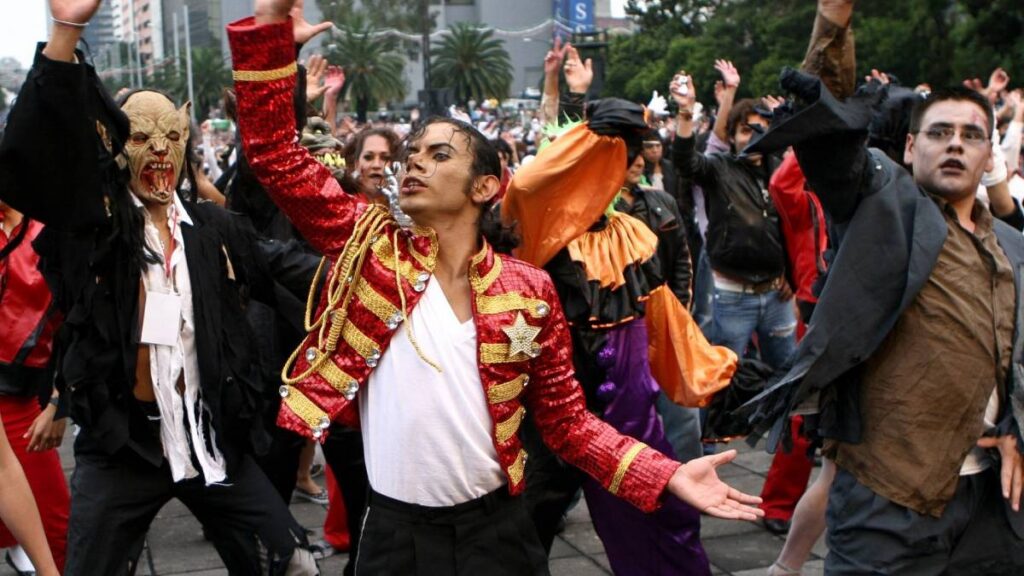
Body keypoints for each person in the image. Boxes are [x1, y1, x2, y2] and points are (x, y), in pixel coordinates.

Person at [229, 1, 763, 573]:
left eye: (438, 155)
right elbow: (274, 155)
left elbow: (568, 424)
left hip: (499, 534)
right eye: (412, 153)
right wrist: (269, 34)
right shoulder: (371, 251)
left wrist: (669, 472)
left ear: (486, 185)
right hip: (394, 534)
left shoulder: (528, 290)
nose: (413, 164)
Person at [0, 1, 324, 573]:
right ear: (115, 146)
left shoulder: (216, 230)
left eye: (169, 135)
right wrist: (65, 32)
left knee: (292, 560)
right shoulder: (91, 230)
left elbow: (270, 188)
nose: (157, 151)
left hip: (210, 438)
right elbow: (35, 156)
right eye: (141, 136)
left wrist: (394, 272)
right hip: (122, 446)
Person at [747, 44, 1024, 576]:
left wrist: (1018, 426)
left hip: (988, 501)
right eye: (940, 133)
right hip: (889, 500)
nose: (955, 146)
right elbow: (834, 148)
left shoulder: (1012, 247)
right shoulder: (884, 206)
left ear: (990, 156)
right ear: (910, 146)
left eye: (971, 136)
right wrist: (833, 24)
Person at [671, 61, 797, 372]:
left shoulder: (781, 169)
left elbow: (795, 227)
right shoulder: (719, 167)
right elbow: (685, 162)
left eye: (760, 130)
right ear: (732, 135)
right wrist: (686, 111)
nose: (752, 138)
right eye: (744, 130)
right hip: (731, 298)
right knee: (724, 380)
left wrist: (791, 275)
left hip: (777, 298)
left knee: (785, 376)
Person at [0, 202, 69, 573]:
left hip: (26, 396)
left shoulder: (52, 228)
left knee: (57, 527)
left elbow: (79, 318)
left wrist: (61, 401)